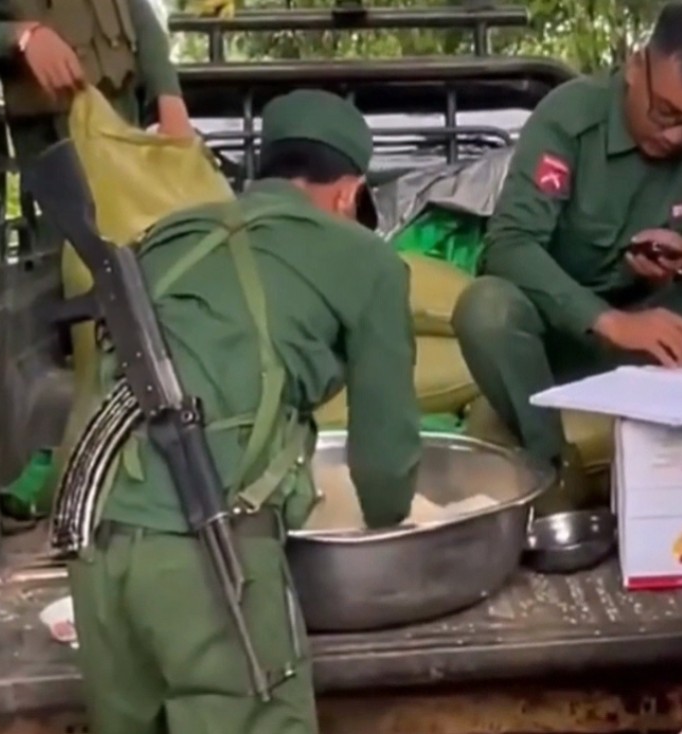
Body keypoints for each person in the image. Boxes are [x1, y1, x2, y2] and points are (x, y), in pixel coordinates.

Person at [49, 89, 421, 734]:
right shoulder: (368, 262)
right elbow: (385, 458)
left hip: (96, 550)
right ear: (346, 192)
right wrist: (388, 523)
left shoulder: (165, 235)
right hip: (206, 561)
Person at [451, 0, 682, 508]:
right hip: (559, 338)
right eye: (666, 113)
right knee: (485, 307)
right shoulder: (570, 119)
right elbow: (509, 244)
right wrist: (607, 320)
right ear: (637, 68)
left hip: (662, 340)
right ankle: (553, 472)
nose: (676, 134)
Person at [0, 0, 195, 158]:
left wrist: (169, 96)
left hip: (125, 116)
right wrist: (23, 37)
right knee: (76, 241)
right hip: (52, 130)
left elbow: (140, 14)